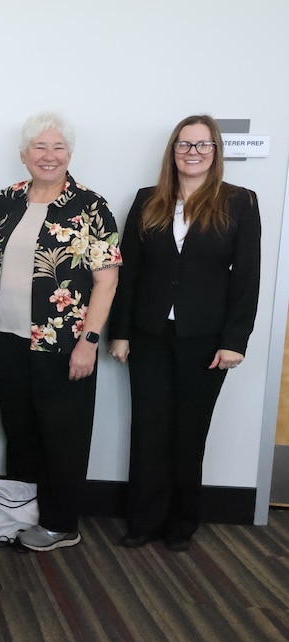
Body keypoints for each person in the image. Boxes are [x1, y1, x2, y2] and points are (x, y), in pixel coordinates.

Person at [0, 112, 122, 552]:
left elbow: (107, 280)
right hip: (11, 340)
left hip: (65, 342)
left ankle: (60, 523)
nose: (48, 156)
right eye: (39, 147)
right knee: (20, 429)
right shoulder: (5, 200)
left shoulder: (91, 205)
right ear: (24, 155)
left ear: (69, 155)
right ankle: (20, 515)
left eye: (58, 148)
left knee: (63, 435)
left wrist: (89, 342)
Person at [110, 115, 261, 552]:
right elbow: (129, 272)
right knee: (149, 430)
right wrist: (121, 333)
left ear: (216, 152)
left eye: (202, 145)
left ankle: (181, 525)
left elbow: (246, 278)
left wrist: (235, 340)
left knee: (189, 432)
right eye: (184, 144)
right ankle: (143, 522)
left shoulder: (240, 203)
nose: (192, 153)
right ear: (172, 151)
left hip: (207, 338)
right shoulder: (146, 200)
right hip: (149, 333)